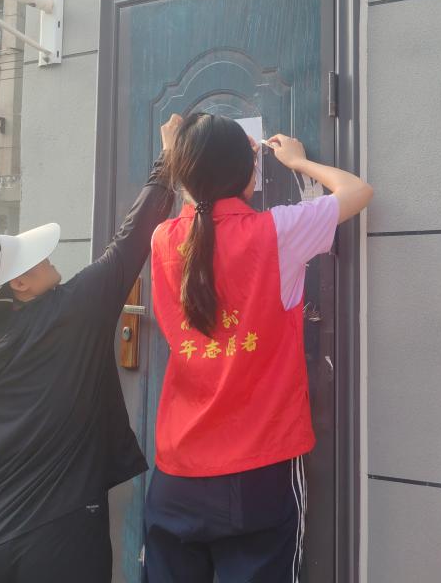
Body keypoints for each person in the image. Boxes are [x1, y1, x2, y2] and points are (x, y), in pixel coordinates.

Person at [0, 114, 182, 583]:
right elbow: (129, 243)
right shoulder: (71, 313)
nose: (44, 258)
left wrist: (6, 478)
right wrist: (168, 157)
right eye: (31, 259)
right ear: (19, 284)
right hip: (65, 540)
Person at [144, 113, 372, 583]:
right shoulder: (277, 232)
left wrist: (174, 154)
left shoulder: (162, 238)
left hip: (176, 473)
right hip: (258, 469)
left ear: (182, 174)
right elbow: (357, 191)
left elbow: (195, 206)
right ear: (250, 174)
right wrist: (299, 162)